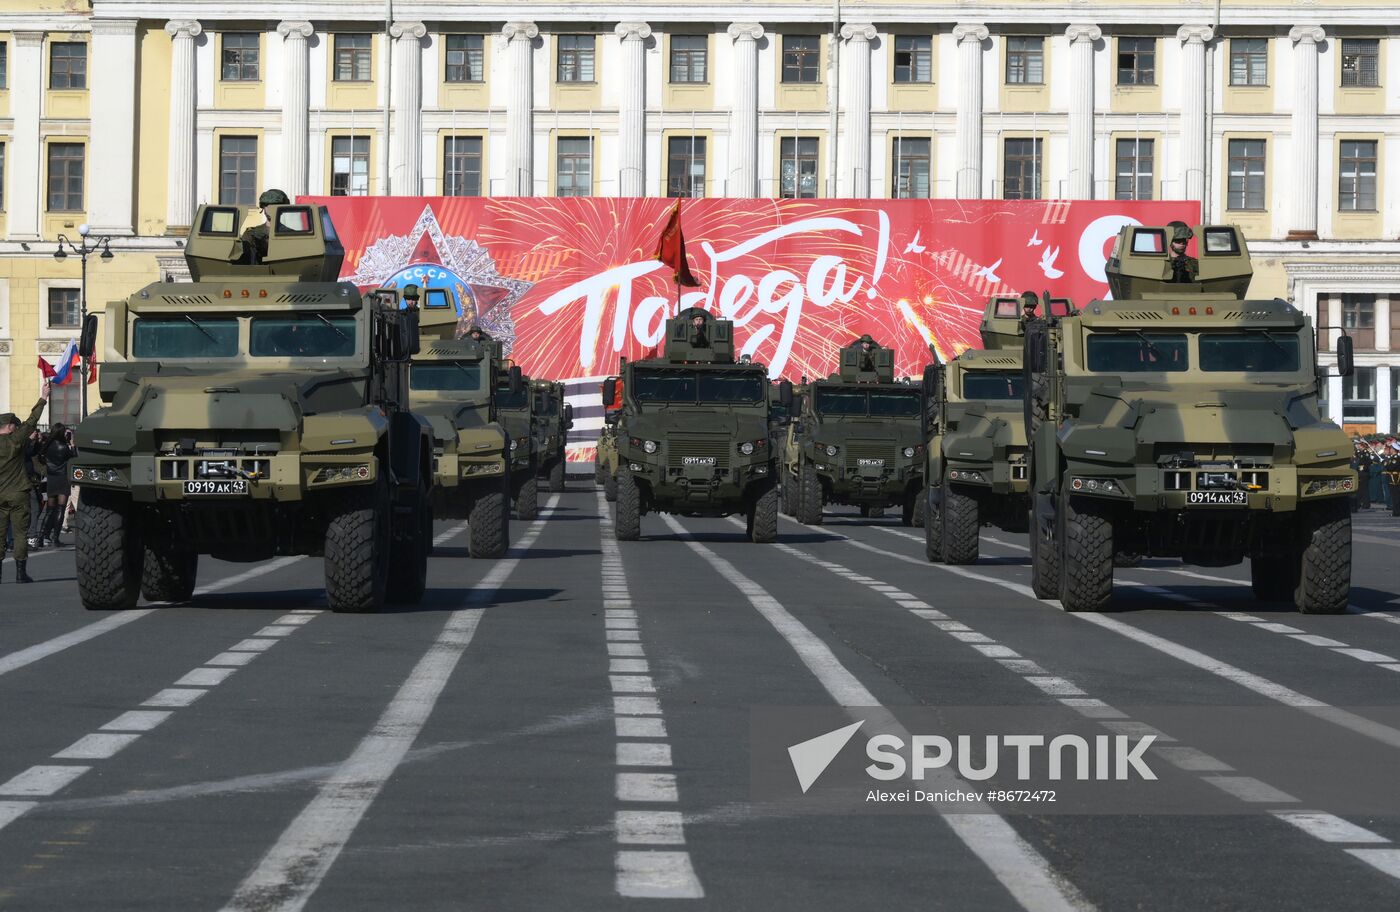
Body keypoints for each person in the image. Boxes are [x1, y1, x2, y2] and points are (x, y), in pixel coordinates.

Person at [0, 380, 52, 583]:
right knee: (21, 533)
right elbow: (32, 421)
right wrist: (43, 397)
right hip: (19, 492)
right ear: (11, 426)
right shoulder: (16, 439)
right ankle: (21, 574)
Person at [232, 188, 291, 265]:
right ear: (263, 207)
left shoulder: (291, 234)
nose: (270, 209)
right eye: (267, 205)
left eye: (275, 206)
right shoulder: (251, 234)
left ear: (283, 209)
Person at [38, 423, 75, 547]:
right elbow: (74, 458)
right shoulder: (64, 447)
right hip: (62, 477)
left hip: (52, 477)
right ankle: (55, 538)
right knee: (61, 508)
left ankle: (41, 536)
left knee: (49, 509)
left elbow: (41, 458)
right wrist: (72, 445)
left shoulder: (47, 445)